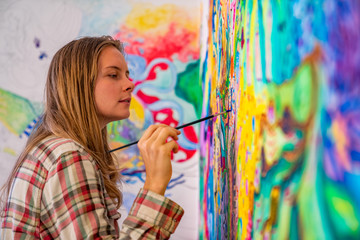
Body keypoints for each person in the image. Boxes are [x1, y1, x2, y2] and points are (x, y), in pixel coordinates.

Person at [0, 36, 184, 239]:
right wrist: (155, 184)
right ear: (79, 84)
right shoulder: (68, 157)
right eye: (114, 75)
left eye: (127, 75)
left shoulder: (55, 149)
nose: (129, 84)